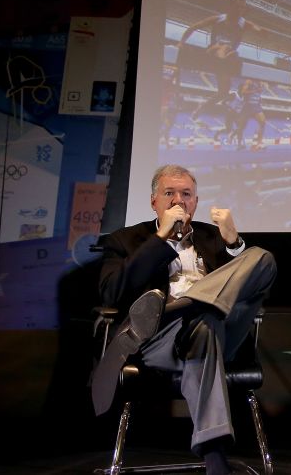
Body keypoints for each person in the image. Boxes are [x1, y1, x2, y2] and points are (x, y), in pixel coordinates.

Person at [92, 164, 277, 475]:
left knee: (260, 257)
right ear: (154, 202)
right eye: (169, 193)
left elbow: (249, 283)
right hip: (159, 339)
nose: (179, 201)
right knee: (206, 325)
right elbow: (111, 293)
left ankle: (188, 304)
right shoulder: (125, 240)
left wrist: (234, 245)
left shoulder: (213, 237)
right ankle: (216, 461)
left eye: (186, 194)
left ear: (195, 201)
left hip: (225, 333)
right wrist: (161, 236)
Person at [177, 0, 262, 119]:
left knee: (223, 93)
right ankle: (222, 51)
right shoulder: (218, 19)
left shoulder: (244, 24)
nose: (240, 10)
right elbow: (194, 26)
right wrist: (181, 42)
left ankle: (201, 107)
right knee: (224, 48)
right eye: (237, 7)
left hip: (228, 58)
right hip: (213, 52)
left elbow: (257, 29)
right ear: (230, 6)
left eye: (243, 8)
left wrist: (260, 31)